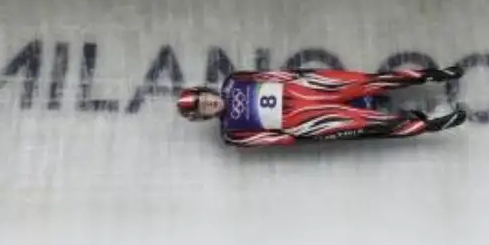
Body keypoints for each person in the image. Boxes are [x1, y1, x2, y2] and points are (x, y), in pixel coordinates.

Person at [176, 64, 466, 147]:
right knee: (365, 122)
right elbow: (278, 139)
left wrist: (304, 79)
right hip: (303, 119)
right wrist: (299, 132)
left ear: (206, 91)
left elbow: (274, 75)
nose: (209, 103)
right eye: (203, 107)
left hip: (305, 89)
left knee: (368, 81)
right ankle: (428, 125)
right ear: (203, 116)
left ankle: (433, 74)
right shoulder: (231, 132)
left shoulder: (233, 81)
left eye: (204, 98)